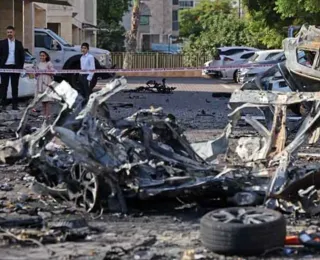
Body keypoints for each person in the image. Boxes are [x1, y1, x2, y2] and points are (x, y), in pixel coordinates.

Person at [0, 25, 25, 110]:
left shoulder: (18, 43)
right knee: (4, 86)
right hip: (4, 67)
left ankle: (15, 105)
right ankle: (3, 105)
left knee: (15, 86)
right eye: (8, 32)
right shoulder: (2, 43)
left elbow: (22, 56)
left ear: (14, 32)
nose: (9, 34)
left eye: (11, 32)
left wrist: (20, 67)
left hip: (15, 67)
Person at [35, 51, 55, 120]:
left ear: (46, 56)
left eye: (43, 55)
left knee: (47, 100)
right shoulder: (39, 64)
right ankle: (44, 114)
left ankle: (48, 115)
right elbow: (36, 73)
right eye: (41, 55)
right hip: (40, 83)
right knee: (43, 100)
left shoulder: (49, 63)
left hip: (47, 82)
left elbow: (53, 72)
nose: (42, 57)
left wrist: (47, 71)